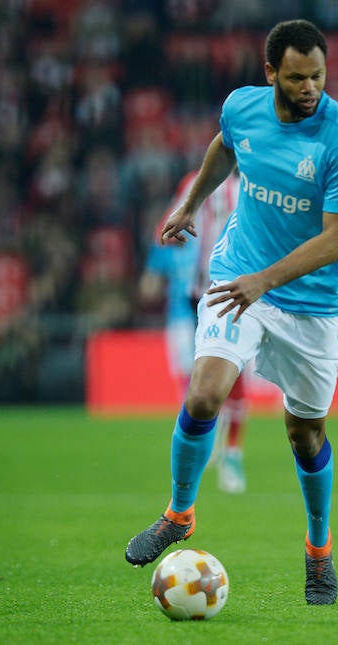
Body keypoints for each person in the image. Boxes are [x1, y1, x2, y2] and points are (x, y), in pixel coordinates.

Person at [124, 20, 338, 607]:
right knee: (204, 393)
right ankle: (179, 513)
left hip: (308, 304)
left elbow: (337, 240)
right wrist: (190, 205)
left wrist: (266, 281)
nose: (309, 86)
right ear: (270, 74)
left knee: (305, 434)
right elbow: (224, 148)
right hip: (236, 276)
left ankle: (318, 551)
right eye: (296, 77)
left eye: (317, 75)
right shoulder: (242, 107)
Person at [139, 170, 249, 494]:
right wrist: (157, 261)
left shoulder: (260, 184)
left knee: (234, 371)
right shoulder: (194, 182)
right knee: (194, 379)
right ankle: (204, 446)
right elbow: (167, 225)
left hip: (234, 290)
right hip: (190, 294)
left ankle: (232, 452)